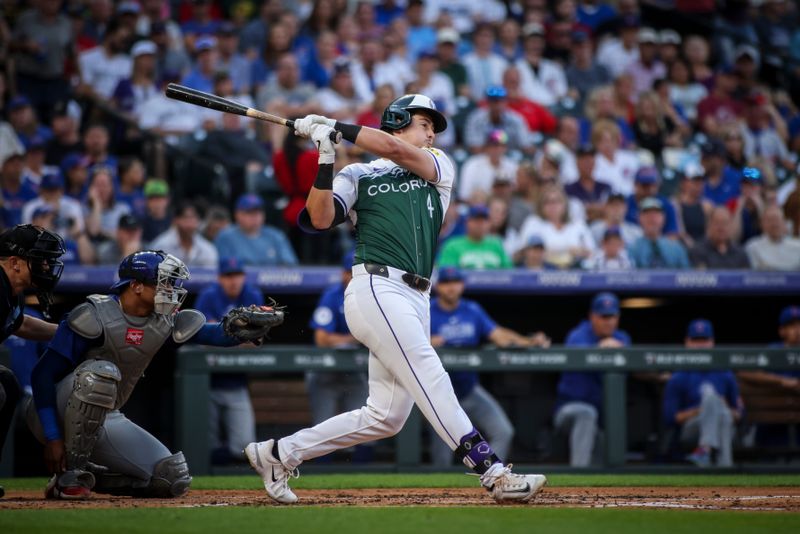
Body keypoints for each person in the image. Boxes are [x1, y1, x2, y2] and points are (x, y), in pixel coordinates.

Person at [245, 94, 547, 503]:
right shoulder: (358, 174)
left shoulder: (438, 164)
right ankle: (493, 472)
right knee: (430, 371)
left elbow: (391, 147)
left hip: (416, 295)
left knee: (386, 417)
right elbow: (318, 218)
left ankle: (278, 453)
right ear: (399, 120)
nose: (433, 132)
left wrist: (337, 125)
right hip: (376, 286)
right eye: (425, 124)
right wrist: (326, 155)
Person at [25, 251, 265, 499]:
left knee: (171, 477)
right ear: (136, 286)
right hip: (54, 411)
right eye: (163, 282)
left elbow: (209, 334)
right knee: (99, 374)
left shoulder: (163, 320)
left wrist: (241, 330)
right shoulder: (93, 315)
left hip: (105, 417)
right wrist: (53, 437)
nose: (170, 289)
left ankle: (90, 475)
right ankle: (69, 476)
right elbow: (42, 375)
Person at [429, 267, 550, 467]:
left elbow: (498, 335)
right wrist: (426, 340)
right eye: (446, 283)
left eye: (455, 283)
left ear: (462, 286)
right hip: (438, 394)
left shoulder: (472, 310)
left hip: (469, 389)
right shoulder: (427, 309)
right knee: (443, 447)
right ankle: (441, 490)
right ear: (439, 286)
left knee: (503, 431)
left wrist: (528, 341)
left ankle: (491, 476)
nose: (451, 288)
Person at [0, 225, 66, 499]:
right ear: (14, 262)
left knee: (8, 383)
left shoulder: (9, 290)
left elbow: (19, 324)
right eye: (39, 259)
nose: (47, 265)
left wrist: (66, 332)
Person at [194, 257, 262, 465]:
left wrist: (222, 334)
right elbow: (201, 337)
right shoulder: (208, 295)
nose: (233, 281)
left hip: (237, 384)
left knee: (243, 448)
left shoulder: (251, 294)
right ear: (219, 278)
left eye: (237, 275)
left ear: (243, 277)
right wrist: (240, 334)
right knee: (203, 447)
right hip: (207, 383)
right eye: (228, 276)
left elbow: (256, 339)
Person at [307, 251, 371, 462]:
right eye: (348, 272)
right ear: (342, 273)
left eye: (356, 272)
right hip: (326, 373)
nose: (351, 277)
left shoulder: (371, 295)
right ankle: (319, 483)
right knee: (321, 428)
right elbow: (321, 339)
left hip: (356, 373)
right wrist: (355, 338)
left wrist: (346, 338)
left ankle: (364, 480)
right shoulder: (332, 295)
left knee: (366, 429)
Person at [554, 292, 631, 467]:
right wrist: (599, 348)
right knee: (586, 413)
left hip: (602, 419)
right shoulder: (578, 335)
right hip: (568, 411)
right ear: (592, 316)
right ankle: (578, 474)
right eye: (604, 316)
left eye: (612, 316)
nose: (608, 321)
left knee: (604, 451)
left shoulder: (622, 338)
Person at [663, 319, 742, 467]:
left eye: (704, 340)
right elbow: (671, 419)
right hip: (691, 429)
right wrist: (705, 408)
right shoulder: (678, 376)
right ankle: (725, 463)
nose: (700, 345)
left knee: (724, 415)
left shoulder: (725, 374)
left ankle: (704, 450)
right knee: (712, 401)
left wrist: (721, 408)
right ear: (687, 342)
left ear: (712, 342)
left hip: (726, 425)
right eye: (696, 340)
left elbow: (739, 415)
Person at [214, 194, 298, 267]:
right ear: (237, 215)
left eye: (258, 212)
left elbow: (290, 265)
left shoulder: (276, 235)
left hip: (272, 284)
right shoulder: (225, 236)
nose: (255, 217)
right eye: (249, 212)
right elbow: (223, 268)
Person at [438, 205, 513, 270]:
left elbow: (509, 272)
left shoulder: (496, 244)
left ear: (489, 223)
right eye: (476, 220)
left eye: (484, 220)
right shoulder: (453, 245)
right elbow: (446, 274)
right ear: (467, 222)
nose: (480, 224)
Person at [149, 202, 218, 268]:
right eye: (186, 217)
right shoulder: (160, 246)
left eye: (193, 218)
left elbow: (210, 276)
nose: (190, 223)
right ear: (175, 220)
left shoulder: (207, 249)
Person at [628, 197, 690, 269]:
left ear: (663, 218)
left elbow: (685, 276)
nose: (652, 218)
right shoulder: (632, 249)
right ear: (639, 218)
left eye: (656, 214)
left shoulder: (676, 248)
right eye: (647, 214)